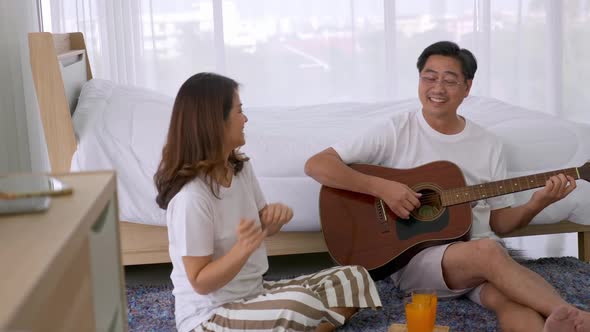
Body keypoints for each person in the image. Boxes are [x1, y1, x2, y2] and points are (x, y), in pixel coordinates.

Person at [304, 41, 590, 332]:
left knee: (514, 300)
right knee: (489, 251)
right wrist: (382, 188)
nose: (437, 88)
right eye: (429, 77)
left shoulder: (487, 143)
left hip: (478, 258)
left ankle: (558, 325)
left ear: (467, 88)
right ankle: (575, 316)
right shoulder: (396, 129)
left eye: (449, 80)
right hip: (419, 259)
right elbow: (317, 164)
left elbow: (499, 224)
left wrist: (537, 203)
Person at [154, 72, 381, 332]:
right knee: (301, 304)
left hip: (255, 292)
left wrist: (272, 220)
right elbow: (200, 282)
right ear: (215, 122)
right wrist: (244, 248)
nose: (245, 119)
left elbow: (261, 224)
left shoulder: (240, 168)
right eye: (239, 111)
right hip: (210, 315)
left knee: (353, 278)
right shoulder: (191, 198)